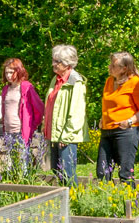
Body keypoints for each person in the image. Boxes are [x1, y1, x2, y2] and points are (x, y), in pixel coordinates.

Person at [98, 52, 139, 184]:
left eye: (113, 65)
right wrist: (102, 119)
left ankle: (129, 202)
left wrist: (129, 122)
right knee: (102, 171)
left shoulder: (135, 82)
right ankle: (105, 199)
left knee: (125, 172)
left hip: (126, 131)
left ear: (124, 68)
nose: (110, 67)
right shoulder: (109, 81)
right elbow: (107, 104)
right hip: (107, 130)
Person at [45, 44, 87, 184]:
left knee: (68, 173)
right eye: (53, 60)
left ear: (67, 63)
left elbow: (77, 112)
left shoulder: (76, 81)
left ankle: (73, 202)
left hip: (65, 136)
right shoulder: (56, 80)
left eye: (57, 61)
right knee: (58, 171)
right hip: (55, 134)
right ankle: (63, 202)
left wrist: (66, 136)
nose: (53, 64)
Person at [0, 58, 44, 149]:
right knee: (9, 162)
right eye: (6, 72)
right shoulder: (5, 89)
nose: (8, 75)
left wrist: (32, 125)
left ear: (19, 71)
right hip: (7, 132)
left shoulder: (27, 88)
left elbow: (39, 108)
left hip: (21, 132)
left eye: (11, 72)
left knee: (23, 162)